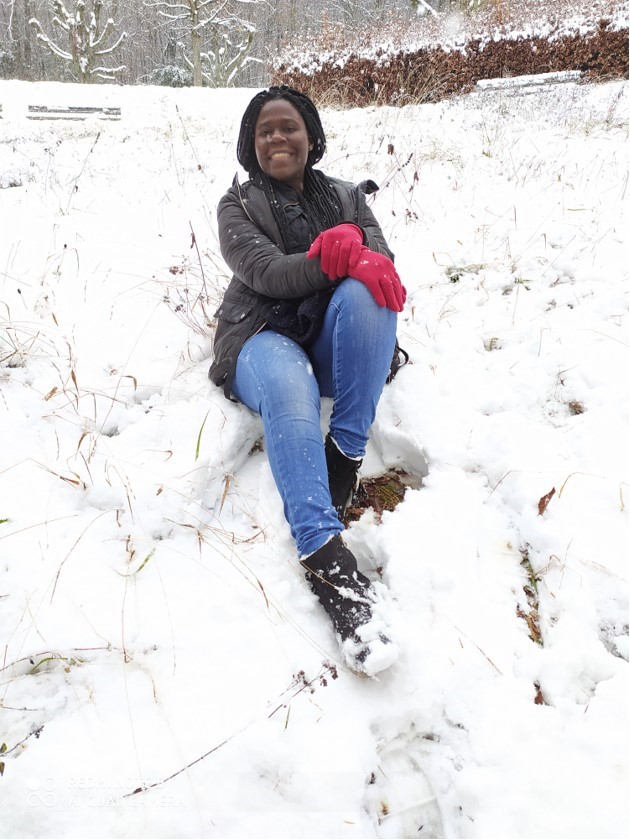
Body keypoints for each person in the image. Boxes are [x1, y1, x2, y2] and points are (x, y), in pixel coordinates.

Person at [208, 85, 406, 676]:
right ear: (251, 145)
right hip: (261, 337)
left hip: (327, 337)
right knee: (290, 382)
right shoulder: (237, 205)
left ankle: (345, 449)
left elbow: (383, 262)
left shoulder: (347, 196)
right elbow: (264, 271)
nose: (277, 137)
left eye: (288, 126)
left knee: (369, 290)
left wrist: (366, 259)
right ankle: (326, 559)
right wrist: (332, 256)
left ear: (310, 135)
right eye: (264, 130)